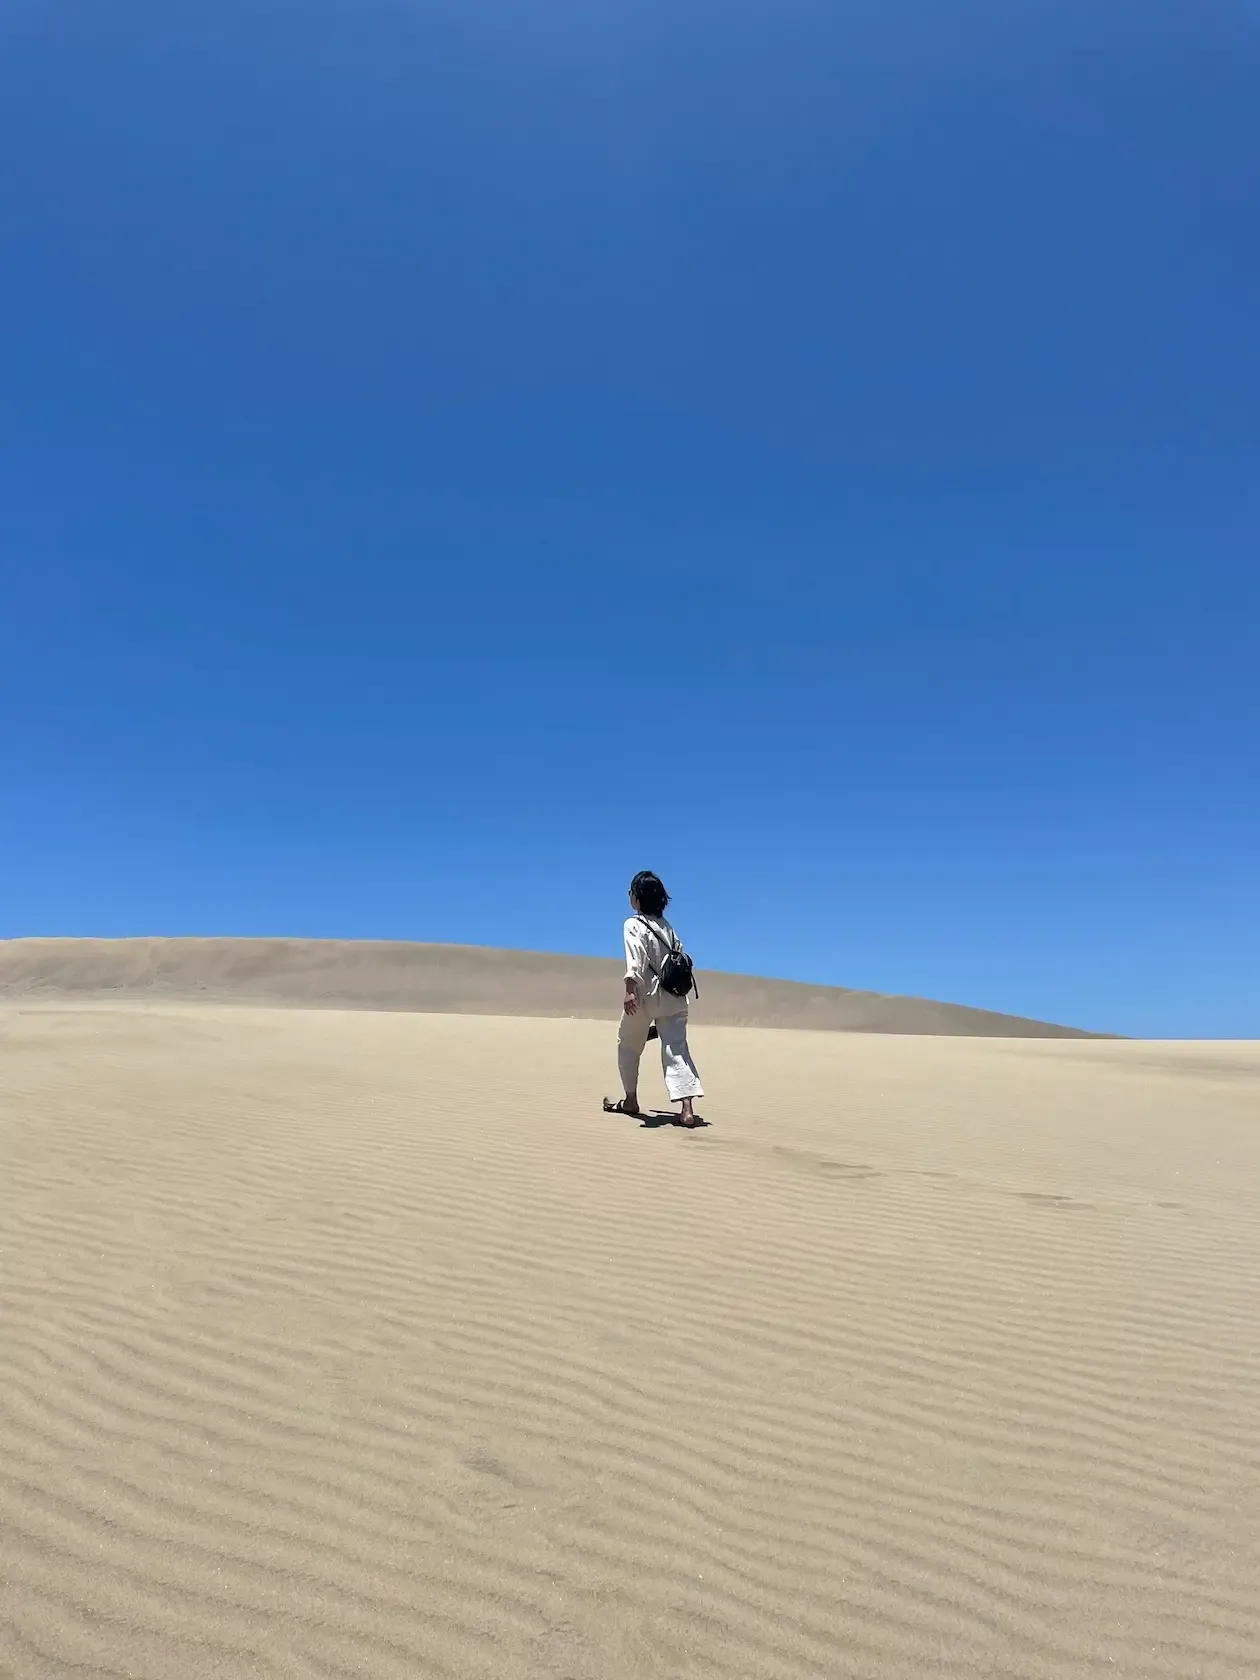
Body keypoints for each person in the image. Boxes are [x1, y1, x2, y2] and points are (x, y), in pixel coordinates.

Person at [603, 870, 705, 1127]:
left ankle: (630, 1100)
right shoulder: (667, 927)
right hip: (675, 998)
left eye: (631, 892)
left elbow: (635, 959)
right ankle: (687, 1109)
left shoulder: (633, 924)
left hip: (645, 997)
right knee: (677, 1049)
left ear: (637, 898)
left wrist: (629, 990)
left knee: (627, 1044)